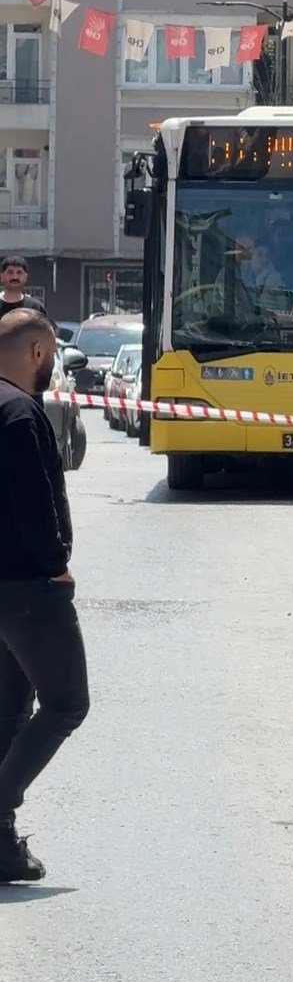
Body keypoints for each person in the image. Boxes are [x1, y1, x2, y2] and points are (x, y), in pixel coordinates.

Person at [0, 311, 90, 882]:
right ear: (38, 353)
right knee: (66, 703)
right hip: (29, 587)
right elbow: (34, 501)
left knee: (11, 710)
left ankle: (1, 848)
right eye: (51, 353)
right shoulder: (18, 411)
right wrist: (57, 567)